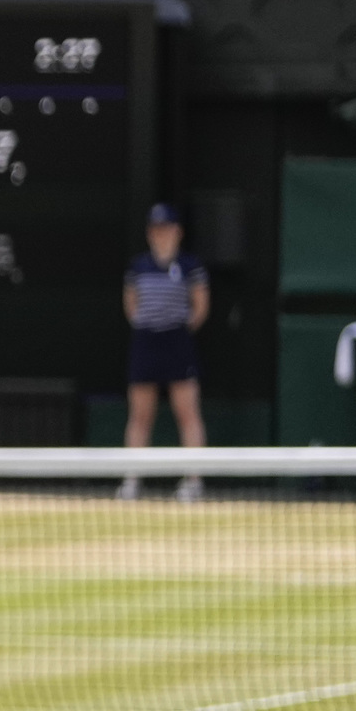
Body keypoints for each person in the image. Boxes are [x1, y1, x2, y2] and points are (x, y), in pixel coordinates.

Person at [121, 202, 208, 503]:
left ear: (178, 232)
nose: (161, 234)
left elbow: (200, 307)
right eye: (155, 229)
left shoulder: (190, 266)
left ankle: (193, 482)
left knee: (188, 413)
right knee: (140, 415)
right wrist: (148, 326)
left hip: (177, 343)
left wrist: (178, 329)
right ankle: (132, 481)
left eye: (166, 228)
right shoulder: (137, 266)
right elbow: (130, 304)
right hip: (146, 343)